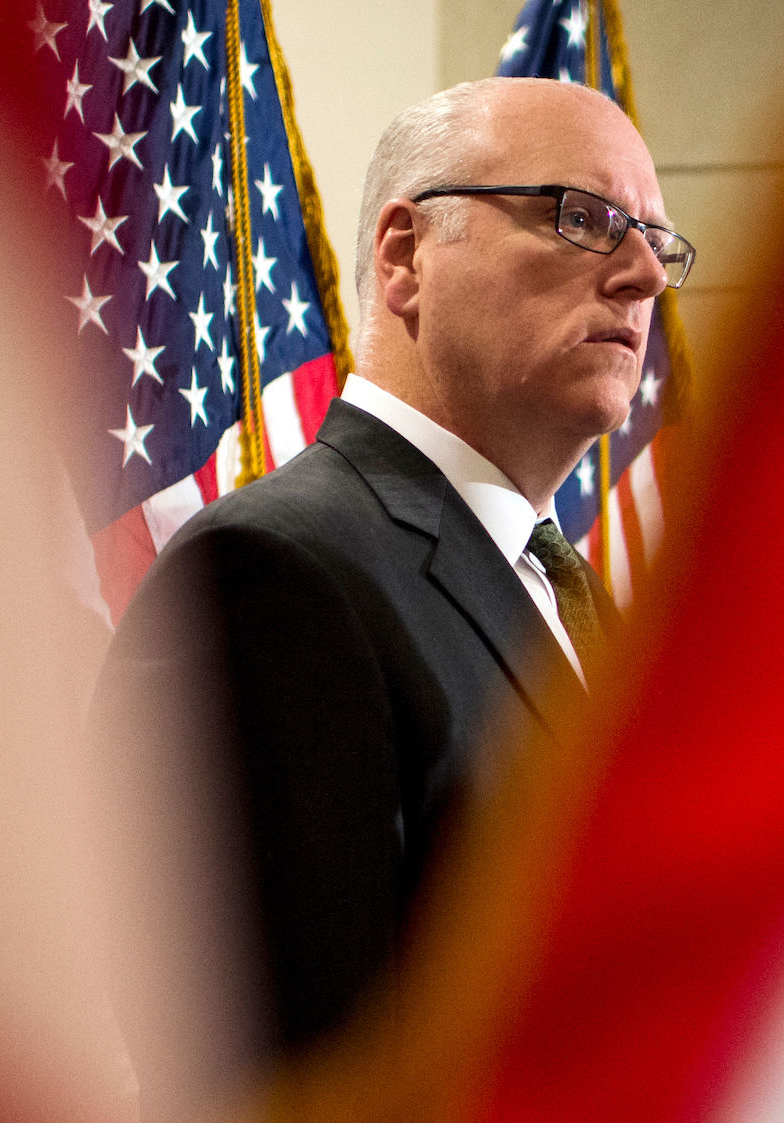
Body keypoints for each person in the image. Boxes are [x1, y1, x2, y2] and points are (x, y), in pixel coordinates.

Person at [97, 78, 691, 1071]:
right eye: (585, 219)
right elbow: (290, 1108)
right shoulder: (276, 575)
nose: (642, 276)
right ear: (407, 254)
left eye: (658, 242)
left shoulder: (570, 598)